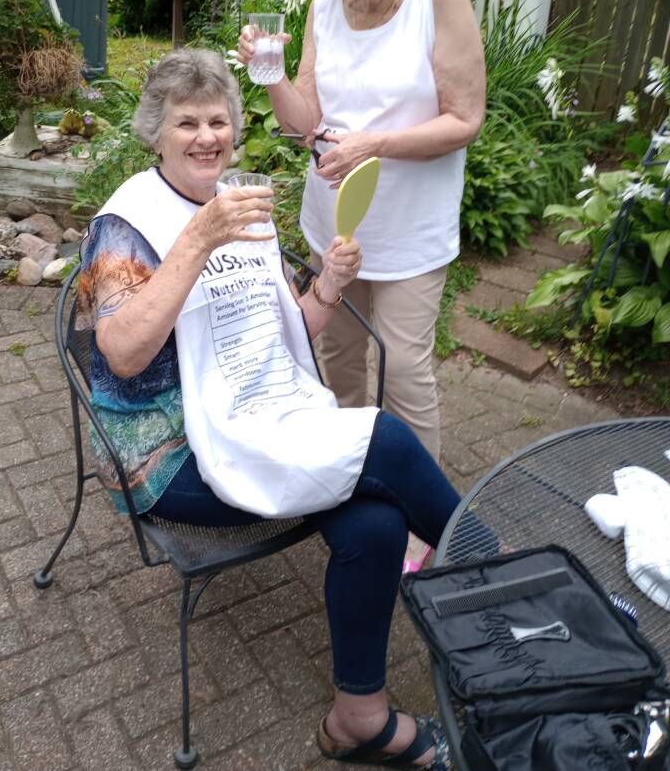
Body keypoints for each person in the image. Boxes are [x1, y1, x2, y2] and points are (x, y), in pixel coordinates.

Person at [77, 48, 461, 768]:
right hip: (165, 452)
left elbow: (282, 332)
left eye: (218, 120)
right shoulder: (126, 224)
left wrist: (327, 290)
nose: (206, 137)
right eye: (186, 122)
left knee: (376, 522)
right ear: (155, 133)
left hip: (260, 412)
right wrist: (199, 238)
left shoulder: (244, 203)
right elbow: (122, 353)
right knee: (383, 440)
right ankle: (505, 580)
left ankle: (359, 719)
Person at [237, 0, 485, 571]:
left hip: (410, 232)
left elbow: (464, 119)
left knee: (404, 372)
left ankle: (426, 523)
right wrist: (269, 72)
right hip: (335, 225)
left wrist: (373, 144)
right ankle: (352, 487)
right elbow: (305, 123)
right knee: (339, 361)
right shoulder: (323, 6)